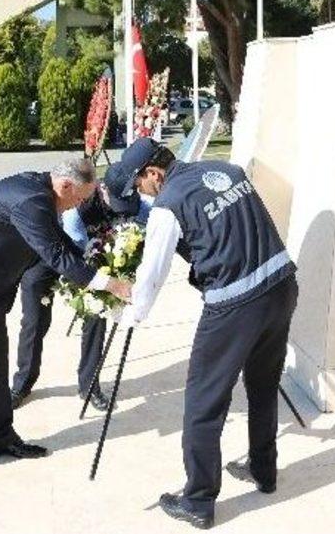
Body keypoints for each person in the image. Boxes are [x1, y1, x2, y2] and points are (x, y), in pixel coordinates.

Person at [113, 139, 298, 530]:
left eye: (140, 186)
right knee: (263, 386)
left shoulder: (169, 204)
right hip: (281, 286)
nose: (142, 195)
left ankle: (197, 500)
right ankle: (264, 470)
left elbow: (152, 275)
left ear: (153, 173)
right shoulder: (227, 170)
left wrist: (132, 315)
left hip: (235, 304)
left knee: (202, 402)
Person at [0, 158, 129, 486]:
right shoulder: (32, 200)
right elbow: (56, 255)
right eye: (79, 198)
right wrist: (111, 285)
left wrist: (96, 271)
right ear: (64, 186)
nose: (79, 205)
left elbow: (60, 246)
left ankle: (0, 438)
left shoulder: (44, 193)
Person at [10, 179, 140, 412]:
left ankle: (89, 385)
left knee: (97, 315)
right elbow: (70, 255)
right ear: (103, 191)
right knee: (35, 322)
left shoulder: (132, 203)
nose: (120, 215)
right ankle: (22, 384)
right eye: (116, 207)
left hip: (91, 261)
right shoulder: (78, 210)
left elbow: (144, 230)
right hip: (52, 260)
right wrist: (103, 279)